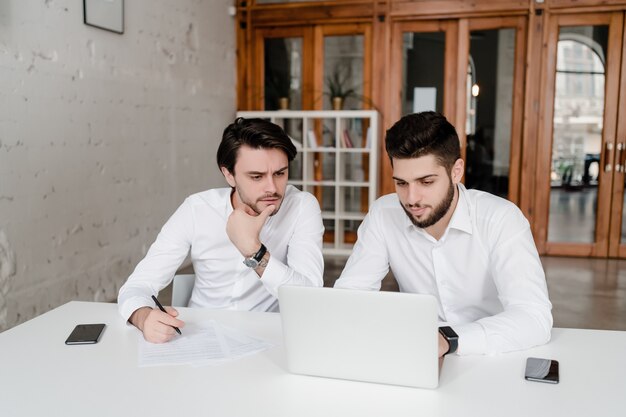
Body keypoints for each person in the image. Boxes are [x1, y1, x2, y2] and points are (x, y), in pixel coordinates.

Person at [334, 111, 552, 357]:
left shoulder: (501, 219)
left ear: (456, 171)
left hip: (496, 353)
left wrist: (448, 340)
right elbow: (349, 297)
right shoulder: (384, 214)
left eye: (426, 182)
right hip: (419, 354)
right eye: (401, 183)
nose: (411, 199)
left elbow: (534, 318)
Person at [118, 117, 324, 343]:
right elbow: (138, 285)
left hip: (267, 338)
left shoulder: (302, 207)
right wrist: (143, 316)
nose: (272, 188)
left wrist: (254, 252)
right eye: (256, 176)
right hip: (199, 336)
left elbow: (309, 298)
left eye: (280, 173)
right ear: (228, 175)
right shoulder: (197, 209)